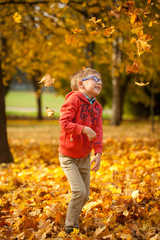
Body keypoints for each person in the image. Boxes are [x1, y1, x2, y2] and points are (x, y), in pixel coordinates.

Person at [59, 68, 103, 234]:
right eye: (95, 79)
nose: (99, 82)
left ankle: (73, 219)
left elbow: (98, 131)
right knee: (79, 191)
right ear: (81, 84)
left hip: (85, 156)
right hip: (68, 156)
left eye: (101, 80)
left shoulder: (97, 107)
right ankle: (70, 227)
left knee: (85, 196)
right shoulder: (74, 100)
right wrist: (83, 129)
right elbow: (64, 123)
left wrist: (98, 153)